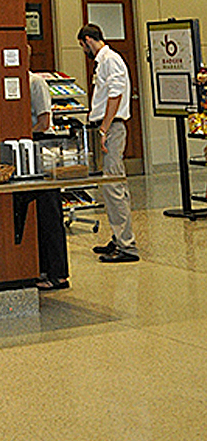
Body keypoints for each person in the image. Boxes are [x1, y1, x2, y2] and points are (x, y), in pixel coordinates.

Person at [77, 23, 138, 262]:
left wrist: (103, 129)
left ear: (88, 40)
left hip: (112, 127)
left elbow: (116, 94)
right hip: (108, 126)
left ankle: (127, 246)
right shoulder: (104, 61)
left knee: (113, 185)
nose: (85, 51)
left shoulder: (110, 59)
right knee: (113, 186)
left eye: (83, 46)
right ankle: (118, 236)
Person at [27, 45, 69, 290]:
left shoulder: (36, 83)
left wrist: (23, 134)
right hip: (29, 151)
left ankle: (58, 273)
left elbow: (44, 122)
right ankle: (43, 268)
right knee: (38, 213)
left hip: (43, 151)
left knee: (50, 212)